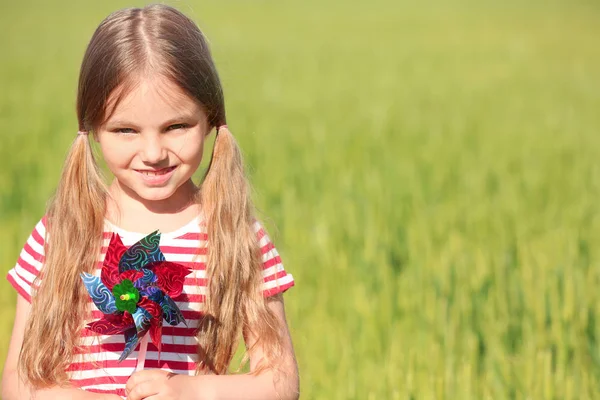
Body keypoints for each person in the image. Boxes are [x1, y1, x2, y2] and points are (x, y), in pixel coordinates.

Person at [1, 4, 298, 400]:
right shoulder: (60, 236)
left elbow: (279, 384)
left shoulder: (238, 238)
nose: (153, 152)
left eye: (176, 126)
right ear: (92, 128)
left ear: (209, 118)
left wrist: (188, 392)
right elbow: (18, 384)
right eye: (125, 130)